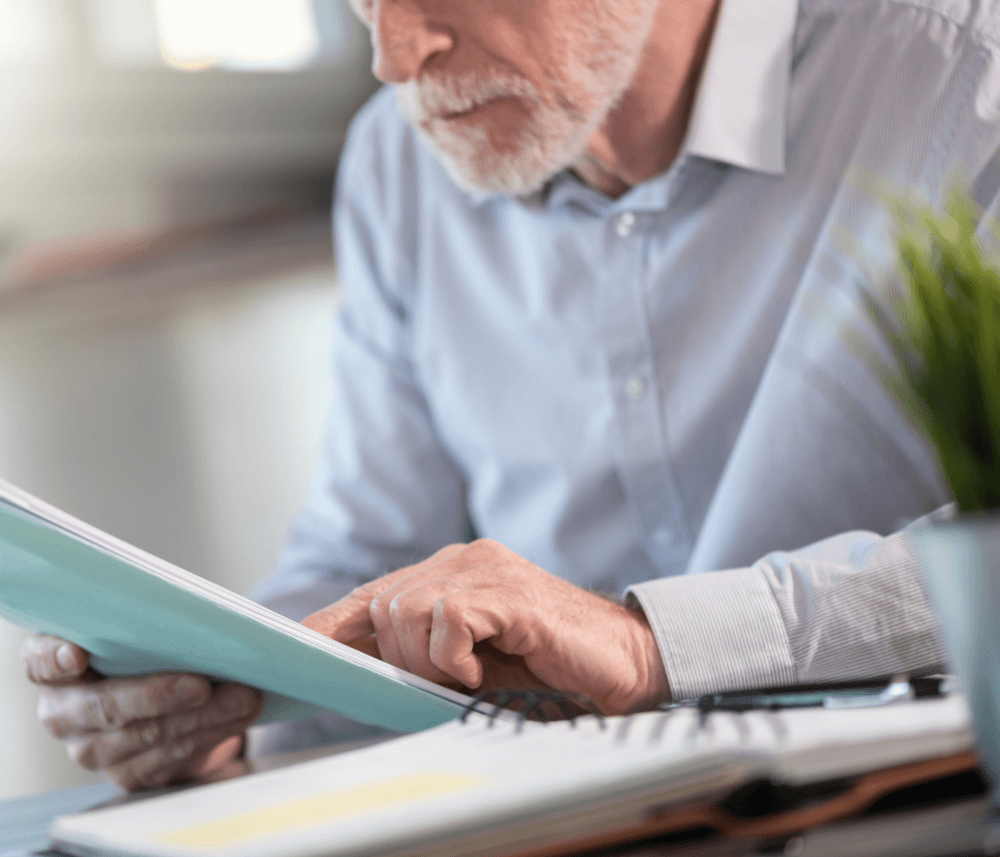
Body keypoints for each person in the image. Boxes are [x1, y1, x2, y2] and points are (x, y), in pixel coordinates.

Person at [22, 0, 1000, 790]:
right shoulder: (395, 165)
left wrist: (647, 643)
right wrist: (221, 703)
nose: (396, 56)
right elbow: (366, 557)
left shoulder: (966, 80)